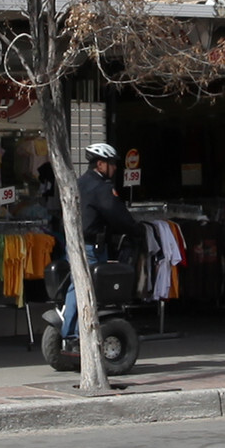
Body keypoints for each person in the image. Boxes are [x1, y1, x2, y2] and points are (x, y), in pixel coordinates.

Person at [55, 142, 144, 342]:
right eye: (112, 164)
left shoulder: (80, 182)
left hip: (74, 243)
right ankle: (79, 335)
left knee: (76, 286)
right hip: (91, 247)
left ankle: (68, 331)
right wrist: (136, 230)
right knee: (89, 289)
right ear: (101, 164)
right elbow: (117, 214)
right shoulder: (101, 187)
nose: (115, 168)